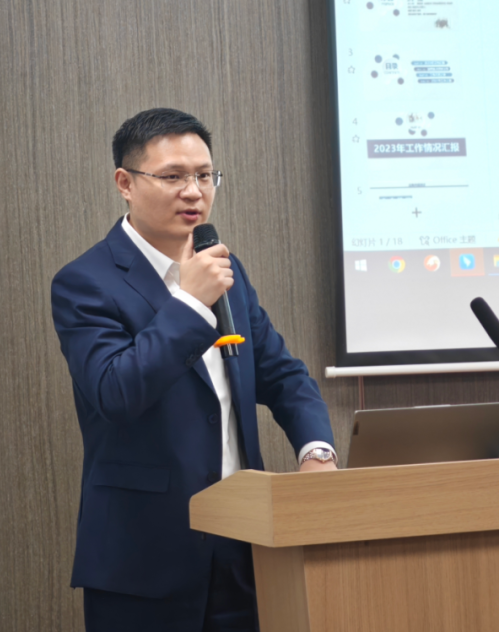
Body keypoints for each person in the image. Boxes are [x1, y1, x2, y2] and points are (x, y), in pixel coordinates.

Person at [51, 108, 337, 632]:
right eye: (173, 176)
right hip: (144, 559)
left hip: (245, 546)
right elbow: (116, 392)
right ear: (125, 183)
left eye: (205, 175)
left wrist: (316, 452)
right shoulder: (85, 282)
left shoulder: (226, 269)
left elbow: (284, 376)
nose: (194, 192)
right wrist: (188, 303)